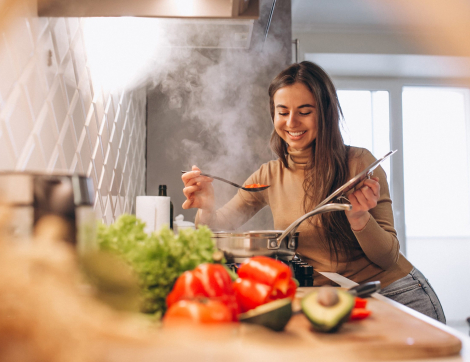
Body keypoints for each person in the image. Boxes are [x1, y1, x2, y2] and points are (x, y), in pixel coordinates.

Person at [181, 61, 446, 323]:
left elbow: (388, 258)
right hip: (332, 301)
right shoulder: (268, 175)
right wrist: (206, 207)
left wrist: (360, 218)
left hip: (394, 294)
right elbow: (214, 230)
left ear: (325, 113)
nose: (291, 122)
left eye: (304, 111)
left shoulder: (358, 164)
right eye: (282, 111)